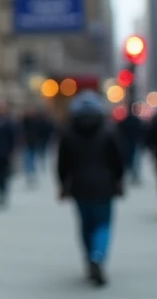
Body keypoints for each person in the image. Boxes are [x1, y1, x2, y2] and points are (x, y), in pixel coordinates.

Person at [57, 91, 125, 287]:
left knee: (86, 224)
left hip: (79, 186)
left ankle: (90, 259)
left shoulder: (69, 132)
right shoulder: (108, 131)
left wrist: (63, 184)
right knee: (103, 224)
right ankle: (98, 256)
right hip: (105, 185)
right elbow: (118, 160)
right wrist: (119, 179)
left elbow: (62, 163)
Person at [117, 107, 146, 185]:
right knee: (135, 161)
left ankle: (128, 176)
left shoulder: (124, 122)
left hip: (127, 143)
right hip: (134, 142)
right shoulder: (137, 121)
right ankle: (134, 177)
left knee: (128, 160)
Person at [21, 106, 48, 185]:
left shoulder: (36, 121)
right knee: (28, 158)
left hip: (34, 142)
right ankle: (30, 173)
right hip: (27, 142)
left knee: (31, 158)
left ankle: (32, 172)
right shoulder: (25, 121)